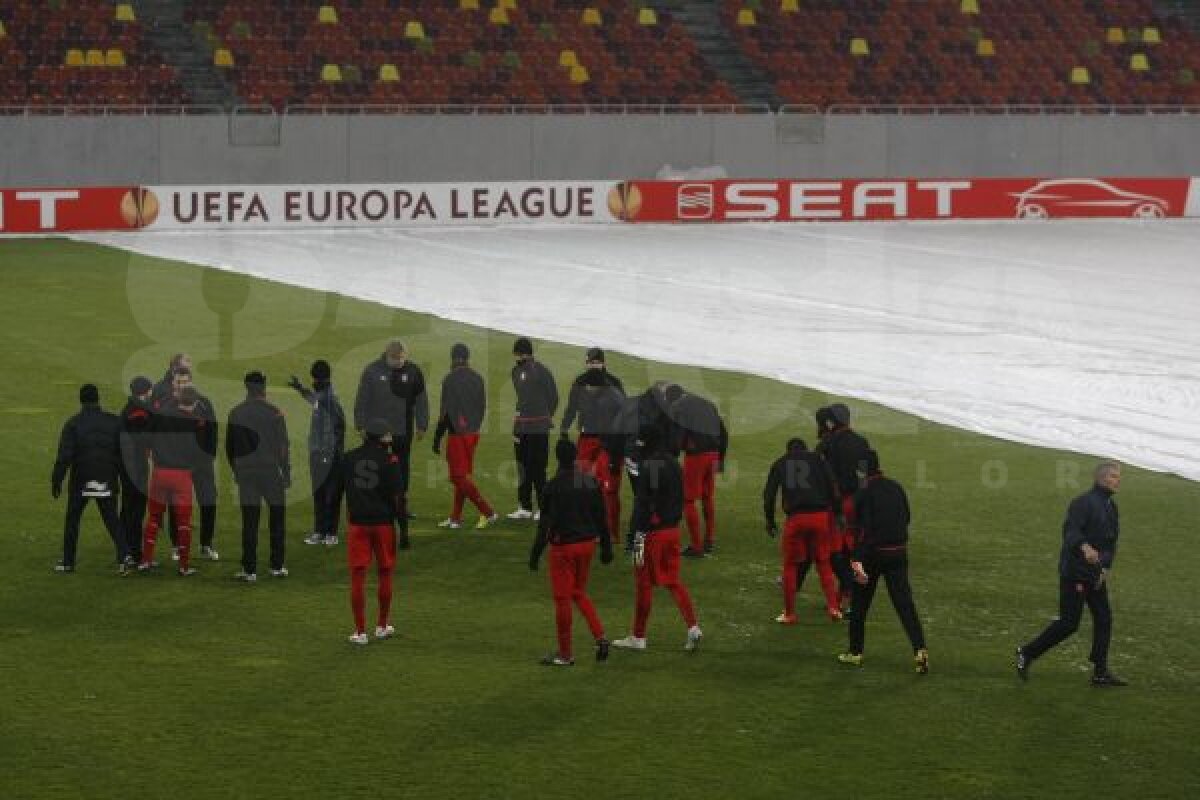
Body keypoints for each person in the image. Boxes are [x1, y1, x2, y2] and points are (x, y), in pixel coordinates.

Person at [1016, 461, 1126, 686]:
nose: (1118, 480)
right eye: (1114, 476)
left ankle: (1100, 670)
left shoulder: (1111, 507)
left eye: (1118, 476)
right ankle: (1026, 653)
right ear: (1100, 478)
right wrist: (1084, 547)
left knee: (1104, 618)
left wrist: (1105, 568)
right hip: (1075, 574)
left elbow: (1111, 543)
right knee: (1069, 624)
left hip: (1095, 575)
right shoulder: (1083, 503)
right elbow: (1070, 532)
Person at [612, 429, 703, 653]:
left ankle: (638, 637)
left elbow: (645, 502)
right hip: (672, 531)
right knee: (673, 581)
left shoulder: (651, 466)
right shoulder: (674, 464)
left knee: (643, 585)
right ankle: (693, 626)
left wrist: (634, 535)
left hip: (648, 536)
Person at [837, 450, 928, 674]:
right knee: (904, 604)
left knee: (860, 606)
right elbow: (906, 517)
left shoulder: (863, 493)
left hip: (873, 555)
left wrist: (857, 559)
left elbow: (864, 530)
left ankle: (855, 652)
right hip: (898, 552)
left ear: (862, 471)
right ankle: (919, 649)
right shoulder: (896, 487)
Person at [529, 438, 613, 666]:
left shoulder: (552, 486)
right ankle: (600, 636)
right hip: (588, 545)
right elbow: (601, 518)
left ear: (557, 458)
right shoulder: (590, 482)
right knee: (578, 592)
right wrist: (606, 547)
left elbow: (545, 525)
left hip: (563, 548)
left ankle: (565, 654)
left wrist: (536, 553)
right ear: (576, 456)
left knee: (563, 598)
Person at [339, 419, 407, 645]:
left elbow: (339, 490)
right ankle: (381, 626)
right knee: (385, 573)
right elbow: (399, 498)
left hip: (357, 524)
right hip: (383, 524)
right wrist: (404, 530)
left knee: (358, 576)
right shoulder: (390, 460)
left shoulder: (348, 458)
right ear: (383, 438)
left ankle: (359, 632)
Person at [51, 384, 130, 574]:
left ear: (81, 400)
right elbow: (124, 453)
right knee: (112, 519)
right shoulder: (115, 422)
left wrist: (57, 479)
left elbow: (65, 456)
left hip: (82, 479)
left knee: (73, 520)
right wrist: (125, 480)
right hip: (106, 476)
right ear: (98, 399)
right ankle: (124, 555)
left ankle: (68, 562)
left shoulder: (73, 423)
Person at [763, 437, 841, 623]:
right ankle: (833, 607)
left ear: (788, 450)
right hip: (820, 517)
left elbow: (769, 496)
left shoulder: (780, 463)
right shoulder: (818, 459)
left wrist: (770, 520)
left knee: (791, 565)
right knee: (823, 562)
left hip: (796, 519)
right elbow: (833, 487)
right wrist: (838, 513)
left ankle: (790, 614)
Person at [226, 372, 291, 582]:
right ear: (264, 386)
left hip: (247, 473)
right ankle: (277, 565)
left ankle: (249, 570)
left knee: (250, 522)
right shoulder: (274, 413)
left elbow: (230, 447)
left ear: (246, 387)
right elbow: (283, 446)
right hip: (271, 472)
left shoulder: (236, 413)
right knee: (277, 520)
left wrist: (237, 471)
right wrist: (286, 472)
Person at [140, 385, 211, 576]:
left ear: (178, 399)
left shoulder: (161, 415)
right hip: (182, 476)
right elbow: (201, 452)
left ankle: (145, 560)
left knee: (154, 517)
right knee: (183, 522)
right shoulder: (198, 422)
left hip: (159, 473)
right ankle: (184, 566)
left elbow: (146, 439)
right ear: (195, 403)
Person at [153, 362, 219, 563]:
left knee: (208, 501)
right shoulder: (165, 406)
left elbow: (213, 434)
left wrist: (207, 458)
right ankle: (176, 545)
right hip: (177, 465)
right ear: (172, 383)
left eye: (185, 382)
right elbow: (157, 436)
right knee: (176, 505)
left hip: (202, 464)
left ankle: (206, 544)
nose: (181, 386)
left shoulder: (205, 404)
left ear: (191, 382)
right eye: (178, 382)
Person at [560, 348, 625, 543]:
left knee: (609, 488)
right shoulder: (580, 382)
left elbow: (624, 415)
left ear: (603, 363)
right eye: (590, 362)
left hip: (609, 441)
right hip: (587, 437)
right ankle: (588, 526)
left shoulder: (615, 385)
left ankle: (611, 532)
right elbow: (572, 406)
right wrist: (565, 426)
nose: (593, 365)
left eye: (596, 362)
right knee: (583, 483)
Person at [353, 341, 428, 507]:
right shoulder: (372, 370)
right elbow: (362, 399)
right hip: (376, 431)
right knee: (374, 465)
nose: (399, 362)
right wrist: (360, 424)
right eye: (395, 359)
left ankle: (401, 504)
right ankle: (374, 503)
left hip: (403, 430)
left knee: (402, 467)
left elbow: (421, 399)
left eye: (402, 358)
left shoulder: (413, 371)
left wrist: (422, 424)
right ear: (387, 356)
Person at [433, 343, 497, 530]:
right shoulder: (478, 378)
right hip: (472, 434)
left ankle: (488, 511)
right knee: (462, 476)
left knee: (457, 477)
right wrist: (474, 427)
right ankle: (455, 518)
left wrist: (437, 437)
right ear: (467, 357)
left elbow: (445, 412)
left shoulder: (449, 379)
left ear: (453, 358)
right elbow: (482, 406)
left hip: (456, 435)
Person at [816, 403, 871, 606]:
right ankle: (847, 593)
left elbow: (822, 475)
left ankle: (847, 588)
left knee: (833, 551)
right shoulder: (862, 442)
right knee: (852, 549)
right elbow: (865, 475)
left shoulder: (828, 443)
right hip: (857, 501)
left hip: (836, 503)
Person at [665, 384, 728, 557]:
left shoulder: (678, 407)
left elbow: (677, 436)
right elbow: (723, 433)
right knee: (707, 497)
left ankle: (697, 546)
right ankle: (709, 539)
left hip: (696, 457)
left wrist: (671, 457)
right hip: (714, 454)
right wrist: (721, 459)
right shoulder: (708, 404)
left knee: (688, 500)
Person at [289, 360, 346, 546]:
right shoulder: (323, 395)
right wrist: (300, 389)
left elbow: (339, 428)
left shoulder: (331, 400)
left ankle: (331, 533)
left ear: (320, 378)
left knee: (331, 494)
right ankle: (320, 531)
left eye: (314, 378)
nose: (313, 381)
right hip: (317, 453)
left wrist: (327, 452)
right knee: (319, 493)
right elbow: (313, 400)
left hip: (328, 455)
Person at [508, 337, 558, 521]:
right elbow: (552, 397)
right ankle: (526, 507)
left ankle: (540, 508)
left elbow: (552, 398)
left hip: (533, 427)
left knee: (534, 468)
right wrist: (546, 415)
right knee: (528, 468)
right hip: (524, 426)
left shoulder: (533, 371)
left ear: (519, 353)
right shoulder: (521, 371)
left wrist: (544, 417)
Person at [118, 376, 154, 564]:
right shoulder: (139, 413)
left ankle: (124, 550)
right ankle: (134, 553)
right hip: (136, 467)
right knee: (136, 510)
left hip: (127, 466)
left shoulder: (128, 410)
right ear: (144, 392)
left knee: (127, 508)